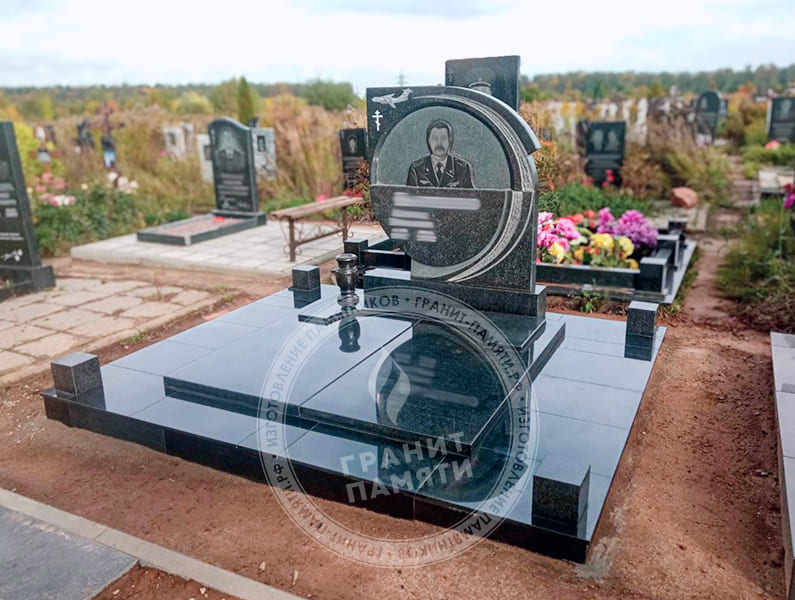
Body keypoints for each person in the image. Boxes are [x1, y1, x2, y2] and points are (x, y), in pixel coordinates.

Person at [406, 119, 474, 188]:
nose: (439, 143)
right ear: (428, 140)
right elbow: (408, 194)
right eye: (435, 138)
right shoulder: (416, 168)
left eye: (443, 138)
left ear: (450, 140)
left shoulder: (462, 168)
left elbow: (470, 194)